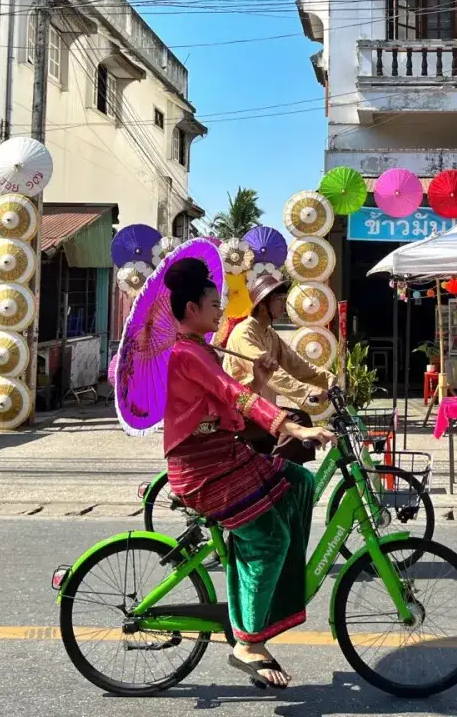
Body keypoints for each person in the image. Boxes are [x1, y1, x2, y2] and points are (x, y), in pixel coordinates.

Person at [161, 257, 334, 690]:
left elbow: (230, 407)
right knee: (270, 538)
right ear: (189, 311)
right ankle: (248, 641)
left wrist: (258, 382)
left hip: (224, 453)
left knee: (300, 482)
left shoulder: (204, 349)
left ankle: (270, 601)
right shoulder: (184, 354)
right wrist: (291, 425)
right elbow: (230, 395)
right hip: (201, 468)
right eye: (212, 303)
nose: (220, 311)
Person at [223, 273, 335, 417]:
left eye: (285, 299)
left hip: (262, 409)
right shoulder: (244, 333)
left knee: (299, 420)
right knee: (299, 421)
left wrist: (329, 380)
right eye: (279, 300)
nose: (284, 305)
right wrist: (306, 392)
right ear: (263, 305)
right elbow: (271, 373)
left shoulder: (270, 334)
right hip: (240, 412)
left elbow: (297, 365)